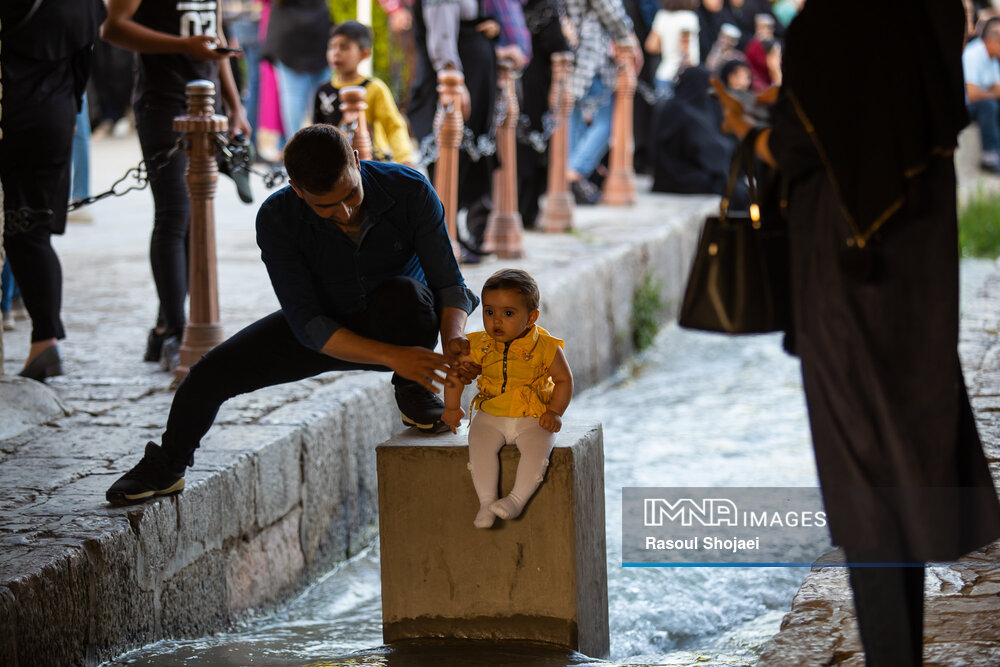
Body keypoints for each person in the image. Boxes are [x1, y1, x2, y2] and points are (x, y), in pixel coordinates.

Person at [712, 1, 1000, 664]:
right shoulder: (929, 11)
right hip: (919, 261)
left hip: (840, 266)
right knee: (906, 452)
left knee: (862, 476)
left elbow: (804, 140)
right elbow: (907, 117)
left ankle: (890, 653)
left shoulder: (829, 22)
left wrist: (753, 128)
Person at [105, 125, 479, 505]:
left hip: (401, 320)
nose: (346, 212)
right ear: (297, 190)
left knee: (406, 294)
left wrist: (453, 344)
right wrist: (393, 357)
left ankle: (412, 389)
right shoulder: (277, 218)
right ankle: (167, 467)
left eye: (351, 194)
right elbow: (309, 324)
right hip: (328, 326)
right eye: (326, 207)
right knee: (206, 376)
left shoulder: (410, 189)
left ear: (355, 157)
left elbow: (449, 285)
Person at [102, 0, 251, 371]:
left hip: (207, 104)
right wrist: (182, 46)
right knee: (174, 214)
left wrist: (235, 106)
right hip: (163, 101)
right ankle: (174, 331)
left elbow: (214, 40)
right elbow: (111, 27)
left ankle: (165, 324)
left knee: (191, 219)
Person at [0, 0, 107, 381]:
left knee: (24, 232)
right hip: (57, 115)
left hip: (11, 110)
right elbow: (85, 62)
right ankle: (45, 342)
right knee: (32, 233)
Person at [442, 269, 573, 529]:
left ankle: (515, 500)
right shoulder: (479, 344)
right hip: (491, 415)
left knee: (537, 453)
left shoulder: (546, 347)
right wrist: (452, 407)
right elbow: (455, 374)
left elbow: (564, 380)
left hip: (533, 416)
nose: (496, 321)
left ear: (531, 317)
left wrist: (555, 411)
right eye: (489, 312)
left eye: (508, 313)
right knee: (479, 446)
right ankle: (486, 502)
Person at [311, 21, 414, 165]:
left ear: (364, 54)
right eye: (332, 47)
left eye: (344, 47)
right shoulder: (323, 90)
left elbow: (394, 126)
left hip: (369, 162)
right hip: (334, 165)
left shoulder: (374, 88)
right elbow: (316, 133)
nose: (336, 53)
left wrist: (404, 159)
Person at [262, 0, 331, 141]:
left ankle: (296, 148)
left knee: (295, 95)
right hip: (315, 28)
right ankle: (325, 145)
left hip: (293, 32)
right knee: (322, 94)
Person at [963, 17, 1000, 172]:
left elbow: (998, 89)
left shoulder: (993, 59)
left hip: (982, 102)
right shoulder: (973, 54)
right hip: (966, 107)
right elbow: (971, 95)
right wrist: (991, 93)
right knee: (988, 106)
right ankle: (990, 157)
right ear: (991, 41)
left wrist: (986, 92)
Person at [644, 0, 700, 98]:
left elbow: (651, 46)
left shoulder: (662, 15)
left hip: (663, 75)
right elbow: (688, 54)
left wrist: (668, 47)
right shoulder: (690, 17)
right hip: (684, 78)